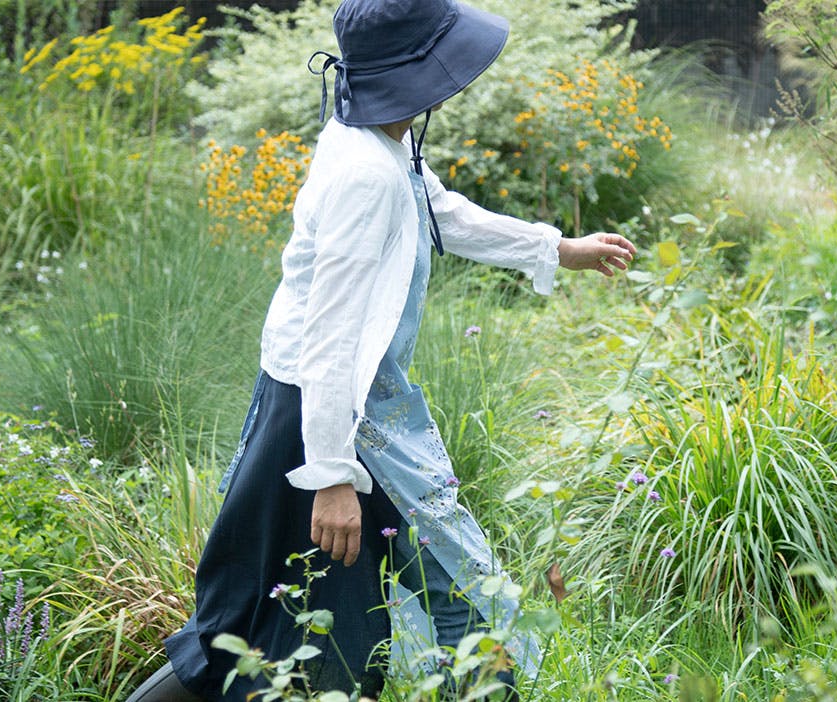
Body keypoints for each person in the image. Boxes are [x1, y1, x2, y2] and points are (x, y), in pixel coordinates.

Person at [127, 0, 636, 699]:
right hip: (325, 418)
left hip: (359, 411)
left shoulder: (376, 139)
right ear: (417, 72)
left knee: (446, 596)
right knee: (271, 632)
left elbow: (438, 209)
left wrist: (555, 248)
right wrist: (331, 475)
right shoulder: (364, 173)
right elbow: (330, 337)